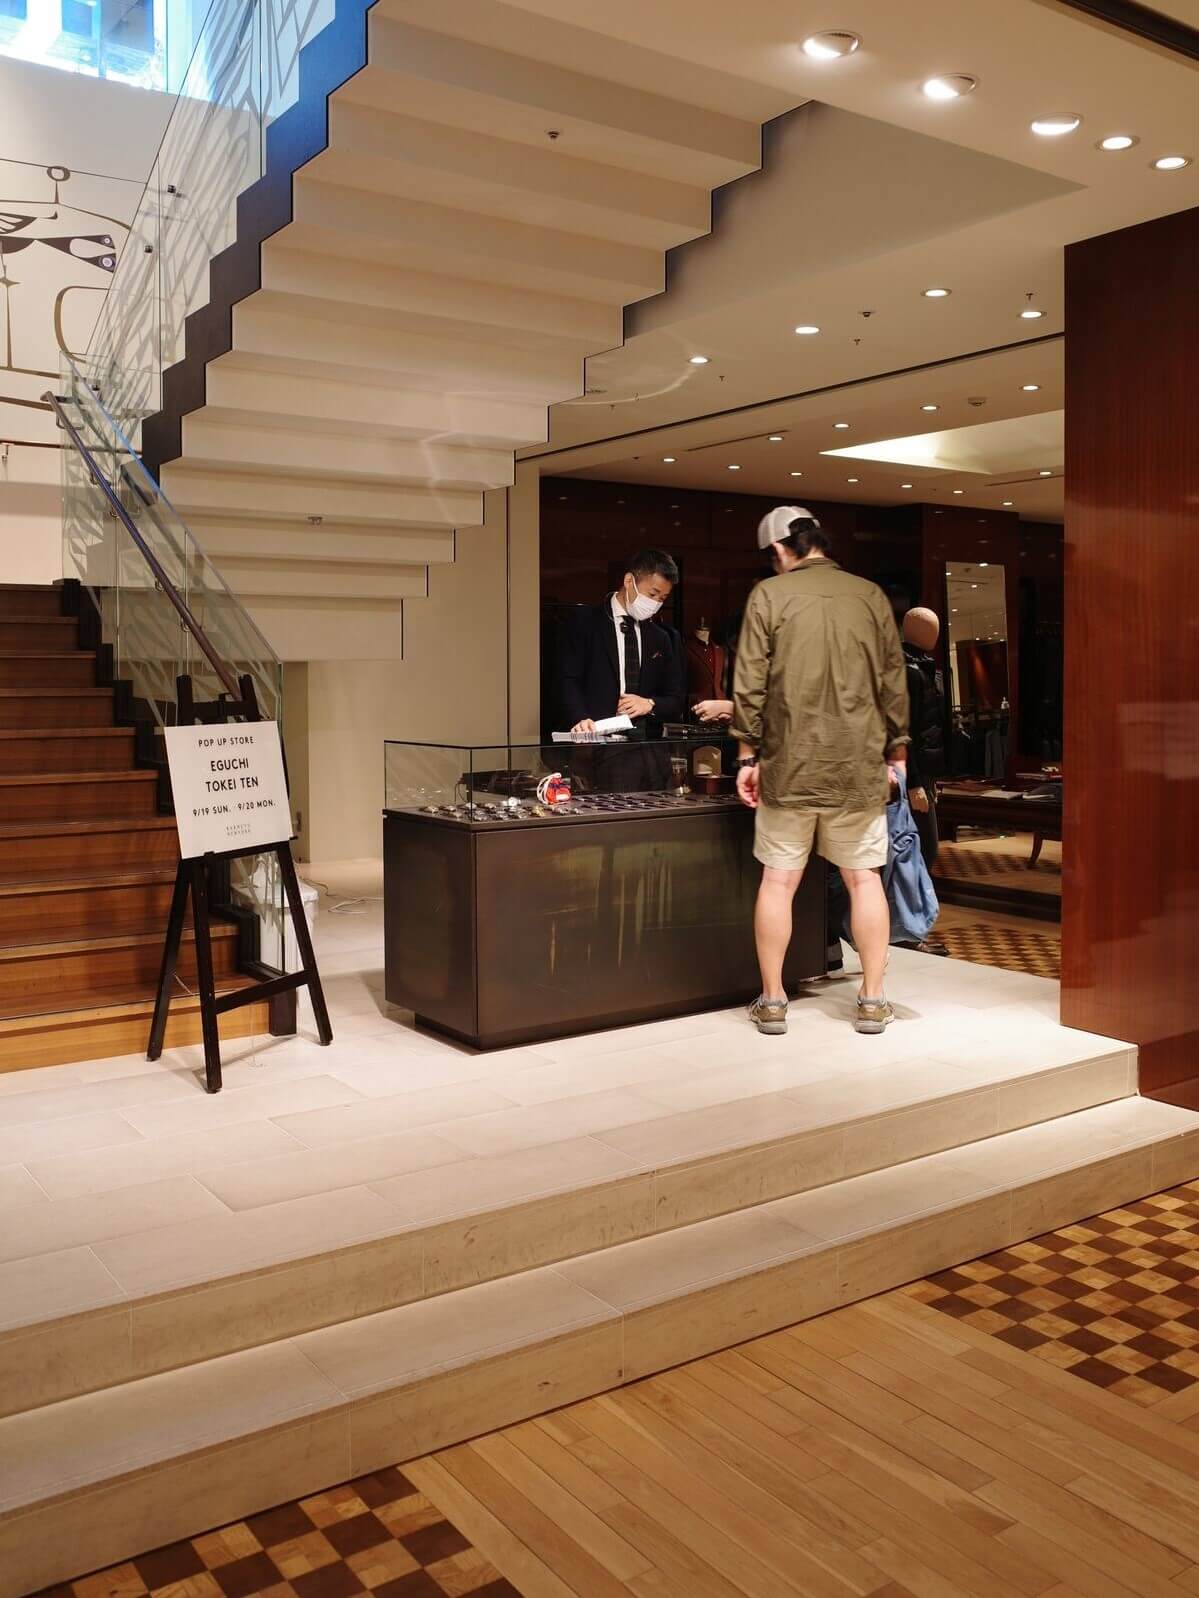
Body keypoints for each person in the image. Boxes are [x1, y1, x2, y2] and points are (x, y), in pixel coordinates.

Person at [732, 506, 910, 1035]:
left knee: (779, 880)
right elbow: (893, 679)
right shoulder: (870, 595)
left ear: (779, 550)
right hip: (858, 766)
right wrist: (897, 752)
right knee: (863, 878)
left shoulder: (768, 595)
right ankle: (872, 999)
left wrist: (747, 755)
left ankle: (772, 1001)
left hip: (789, 765)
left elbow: (750, 683)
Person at [557, 548, 685, 733]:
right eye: (652, 594)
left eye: (662, 598)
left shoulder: (661, 637)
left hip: (644, 742)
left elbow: (675, 698)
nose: (656, 603)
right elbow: (567, 679)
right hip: (592, 737)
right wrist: (579, 717)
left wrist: (649, 703)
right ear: (628, 581)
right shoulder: (584, 623)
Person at [902, 606, 947, 872]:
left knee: (923, 849)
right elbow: (904, 730)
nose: (936, 633)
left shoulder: (923, 667)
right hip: (911, 773)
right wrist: (914, 782)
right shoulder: (908, 672)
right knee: (924, 848)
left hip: (922, 771)